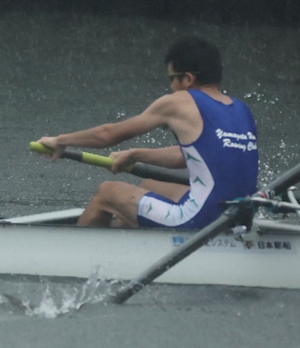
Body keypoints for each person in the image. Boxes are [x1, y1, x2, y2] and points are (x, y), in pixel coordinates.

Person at [33, 37, 260, 229]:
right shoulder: (241, 109)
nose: (170, 86)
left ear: (188, 79)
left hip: (201, 221)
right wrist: (136, 155)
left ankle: (74, 255)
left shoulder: (178, 102)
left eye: (172, 78)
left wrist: (61, 141)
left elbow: (108, 134)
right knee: (149, 186)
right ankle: (128, 249)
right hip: (237, 216)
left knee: (107, 193)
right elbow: (193, 156)